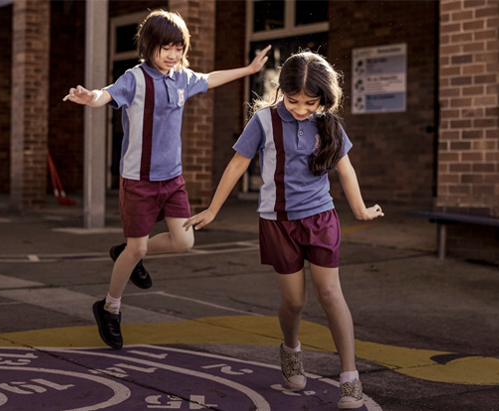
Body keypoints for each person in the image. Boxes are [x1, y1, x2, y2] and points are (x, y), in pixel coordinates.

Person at [183, 51, 383, 409]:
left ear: (324, 98)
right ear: (282, 92)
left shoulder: (330, 124)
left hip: (321, 219)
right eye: (293, 100)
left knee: (330, 294)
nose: (301, 108)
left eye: (311, 102)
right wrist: (213, 209)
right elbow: (236, 165)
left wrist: (360, 209)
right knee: (294, 301)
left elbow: (346, 169)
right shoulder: (262, 122)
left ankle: (350, 377)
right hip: (277, 223)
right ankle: (291, 348)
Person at [63, 10, 270, 351]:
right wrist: (90, 99)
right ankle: (110, 308)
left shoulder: (181, 78)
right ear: (149, 47)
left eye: (177, 48)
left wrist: (248, 71)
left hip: (172, 179)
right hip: (139, 181)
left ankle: (127, 254)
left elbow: (210, 77)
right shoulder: (135, 78)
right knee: (138, 246)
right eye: (165, 48)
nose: (172, 55)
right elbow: (105, 94)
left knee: (183, 242)